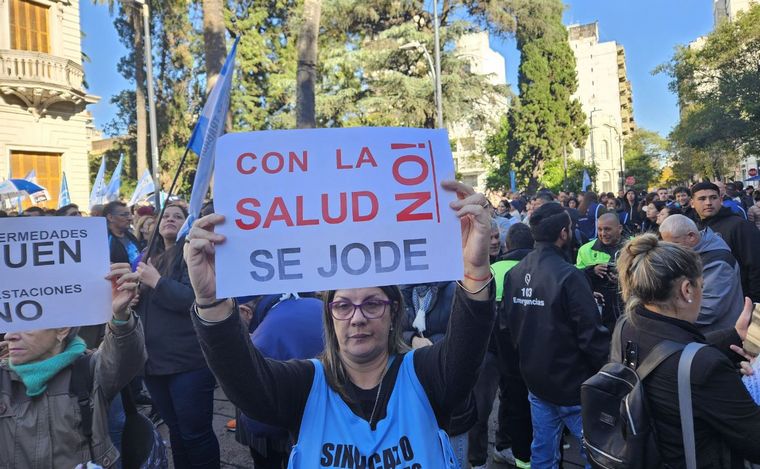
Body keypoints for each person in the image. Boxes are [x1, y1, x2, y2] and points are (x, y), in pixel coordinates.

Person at [185, 180, 494, 468]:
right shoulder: (304, 386)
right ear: (329, 317)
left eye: (372, 304)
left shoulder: (426, 375)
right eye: (343, 306)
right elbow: (245, 384)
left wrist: (475, 270)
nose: (357, 317)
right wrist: (211, 302)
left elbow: (466, 351)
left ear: (394, 313)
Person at [615, 234, 760, 468]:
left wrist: (735, 335)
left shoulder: (626, 326)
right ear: (686, 290)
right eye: (701, 285)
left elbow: (668, 351)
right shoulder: (706, 367)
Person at [0, 263, 147, 468]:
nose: (9, 336)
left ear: (61, 329)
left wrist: (120, 316)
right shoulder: (4, 381)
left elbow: (128, 357)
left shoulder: (89, 371)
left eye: (26, 323)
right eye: (8, 324)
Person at [502, 203, 610, 468]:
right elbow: (591, 335)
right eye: (571, 228)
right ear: (564, 233)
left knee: (543, 451)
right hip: (573, 385)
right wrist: (607, 372)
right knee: (596, 454)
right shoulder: (569, 276)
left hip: (536, 380)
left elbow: (509, 326)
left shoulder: (515, 273)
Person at [133, 203, 220, 469]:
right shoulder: (148, 257)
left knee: (196, 434)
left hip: (188, 361)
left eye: (177, 216)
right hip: (154, 362)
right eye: (166, 215)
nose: (170, 219)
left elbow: (194, 300)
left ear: (187, 222)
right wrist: (134, 298)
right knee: (176, 432)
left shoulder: (191, 254)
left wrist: (156, 282)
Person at [472, 223, 535, 469]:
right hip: (485, 350)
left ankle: (502, 446)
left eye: (497, 237)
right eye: (490, 237)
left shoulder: (505, 265)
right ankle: (477, 460)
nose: (494, 242)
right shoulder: (476, 270)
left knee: (510, 398)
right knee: (481, 407)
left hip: (509, 350)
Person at [660, 215, 744, 333]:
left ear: (691, 237)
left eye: (675, 244)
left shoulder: (717, 262)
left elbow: (709, 309)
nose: (671, 250)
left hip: (718, 336)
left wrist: (667, 317)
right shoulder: (695, 253)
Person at [691, 181, 760, 302]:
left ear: (720, 199)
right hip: (710, 302)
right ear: (692, 203)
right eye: (702, 199)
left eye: (713, 197)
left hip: (741, 302)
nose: (708, 203)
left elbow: (756, 265)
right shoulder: (695, 229)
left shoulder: (740, 226)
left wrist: (754, 303)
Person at [575, 212, 625, 331]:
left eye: (607, 229)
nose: (603, 234)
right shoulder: (585, 249)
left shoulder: (634, 246)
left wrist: (622, 278)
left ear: (620, 229)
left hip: (628, 311)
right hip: (598, 314)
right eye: (600, 229)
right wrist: (592, 271)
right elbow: (576, 278)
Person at [104, 201, 141, 267]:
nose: (130, 218)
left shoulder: (131, 236)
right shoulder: (105, 241)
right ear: (110, 217)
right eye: (124, 215)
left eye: (130, 215)